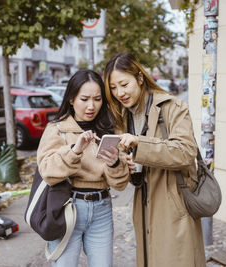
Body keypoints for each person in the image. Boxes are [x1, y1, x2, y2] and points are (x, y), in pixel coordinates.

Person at [103, 52, 206, 267]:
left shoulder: (172, 107)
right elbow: (130, 169)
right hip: (144, 206)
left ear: (140, 78)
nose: (119, 93)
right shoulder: (124, 116)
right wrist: (128, 166)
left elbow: (186, 151)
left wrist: (139, 144)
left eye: (124, 84)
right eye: (113, 88)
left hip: (174, 205)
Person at [37, 70, 130, 267]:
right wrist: (75, 150)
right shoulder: (57, 129)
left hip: (102, 209)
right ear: (71, 99)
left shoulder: (110, 129)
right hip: (67, 209)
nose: (91, 106)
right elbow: (48, 173)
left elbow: (120, 184)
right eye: (84, 99)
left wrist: (114, 163)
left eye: (97, 99)